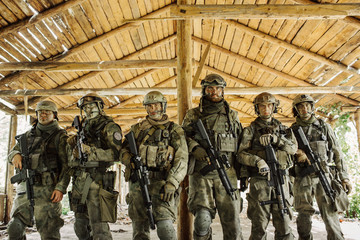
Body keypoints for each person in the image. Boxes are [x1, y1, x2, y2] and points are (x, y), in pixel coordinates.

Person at [182, 74, 243, 240]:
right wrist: (194, 147)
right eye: (210, 88)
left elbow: (241, 145)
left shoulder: (232, 116)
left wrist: (243, 173)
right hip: (201, 174)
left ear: (223, 91)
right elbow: (180, 138)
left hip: (227, 173)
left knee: (233, 222)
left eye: (218, 88)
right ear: (204, 90)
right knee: (202, 221)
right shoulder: (193, 115)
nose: (214, 92)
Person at [120, 90, 188, 240]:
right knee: (139, 229)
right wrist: (128, 159)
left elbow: (182, 158)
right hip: (138, 182)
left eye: (156, 105)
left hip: (163, 182)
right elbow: (123, 150)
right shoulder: (137, 130)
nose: (153, 109)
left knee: (165, 228)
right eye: (149, 106)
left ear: (163, 106)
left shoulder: (174, 130)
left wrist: (173, 182)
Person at [290, 94, 352, 240]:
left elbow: (337, 152)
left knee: (330, 213)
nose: (304, 109)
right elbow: (285, 151)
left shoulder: (323, 127)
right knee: (304, 215)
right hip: (302, 177)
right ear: (296, 110)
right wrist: (297, 152)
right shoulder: (292, 130)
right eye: (300, 106)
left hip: (323, 175)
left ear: (312, 107)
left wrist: (345, 177)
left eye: (307, 105)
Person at [7, 100, 70, 240]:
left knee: (49, 234)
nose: (43, 114)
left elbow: (67, 166)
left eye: (48, 112)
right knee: (14, 228)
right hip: (25, 190)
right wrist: (15, 155)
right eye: (40, 111)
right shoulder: (27, 136)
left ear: (54, 115)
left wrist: (60, 188)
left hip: (48, 192)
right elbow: (11, 153)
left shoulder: (61, 137)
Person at [237, 92, 297, 240]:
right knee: (259, 226)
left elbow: (293, 149)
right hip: (260, 181)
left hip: (281, 179)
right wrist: (257, 161)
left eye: (269, 105)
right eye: (262, 106)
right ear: (257, 108)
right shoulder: (250, 130)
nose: (265, 109)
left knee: (284, 223)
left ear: (274, 107)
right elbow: (240, 154)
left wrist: (277, 140)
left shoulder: (284, 129)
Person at [67, 93, 122, 240]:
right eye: (85, 107)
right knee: (80, 226)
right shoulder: (83, 127)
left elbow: (116, 155)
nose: (89, 109)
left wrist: (91, 151)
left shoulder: (109, 126)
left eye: (92, 106)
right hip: (80, 181)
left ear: (100, 107)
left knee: (99, 229)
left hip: (98, 180)